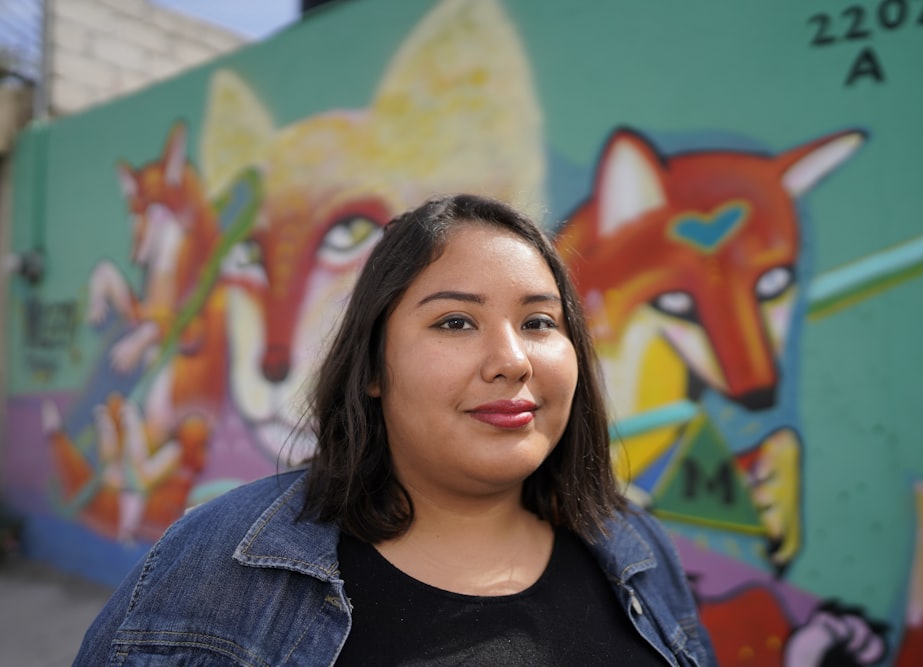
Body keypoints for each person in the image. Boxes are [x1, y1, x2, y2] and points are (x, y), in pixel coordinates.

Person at [74, 194, 718, 666]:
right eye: (455, 323)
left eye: (540, 323)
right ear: (374, 366)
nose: (512, 361)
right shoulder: (218, 567)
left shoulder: (635, 548)